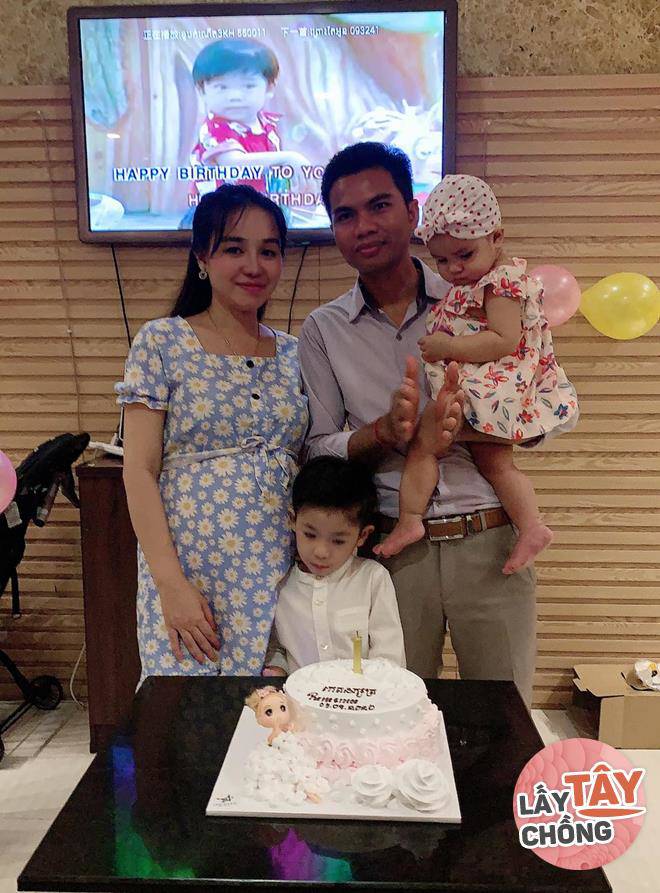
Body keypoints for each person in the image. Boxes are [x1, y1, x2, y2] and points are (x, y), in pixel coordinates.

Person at [298, 142, 578, 706]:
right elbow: (317, 449)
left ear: (412, 212)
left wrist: (464, 429)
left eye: (380, 205)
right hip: (392, 551)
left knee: (503, 716)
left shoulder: (479, 295)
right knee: (391, 711)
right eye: (345, 215)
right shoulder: (323, 330)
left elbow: (541, 401)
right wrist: (384, 432)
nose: (364, 225)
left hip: (492, 538)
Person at [116, 184, 308, 680]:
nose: (254, 266)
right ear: (202, 256)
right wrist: (171, 585)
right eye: (234, 249)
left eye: (269, 251)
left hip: (280, 572)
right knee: (188, 713)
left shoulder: (296, 353)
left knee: (275, 712)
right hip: (191, 574)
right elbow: (138, 471)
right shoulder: (162, 341)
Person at [376, 174, 578, 573]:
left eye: (464, 255)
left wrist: (447, 347)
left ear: (496, 237)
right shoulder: (476, 280)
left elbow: (503, 339)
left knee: (424, 443)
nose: (453, 268)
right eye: (441, 260)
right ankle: (531, 525)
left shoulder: (501, 283)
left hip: (492, 388)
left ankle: (410, 519)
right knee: (495, 463)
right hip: (486, 387)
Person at [263, 456, 405, 676]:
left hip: (363, 695)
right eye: (310, 535)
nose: (321, 552)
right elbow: (274, 646)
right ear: (292, 519)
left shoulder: (373, 578)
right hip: (299, 695)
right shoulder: (279, 582)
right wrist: (277, 668)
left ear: (362, 535)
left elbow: (389, 656)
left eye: (338, 541)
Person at [189, 38, 308, 199]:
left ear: (269, 88)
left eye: (248, 86)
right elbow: (234, 163)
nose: (235, 96)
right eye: (222, 87)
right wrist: (288, 158)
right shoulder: (215, 128)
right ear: (202, 91)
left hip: (258, 205)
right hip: (220, 209)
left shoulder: (268, 123)